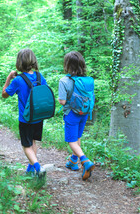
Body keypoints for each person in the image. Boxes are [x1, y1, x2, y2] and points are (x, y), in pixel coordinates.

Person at [2, 48, 46, 179]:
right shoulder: (40, 76)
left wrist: (9, 78)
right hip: (38, 117)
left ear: (19, 62)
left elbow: (4, 94)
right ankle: (30, 169)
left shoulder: (18, 80)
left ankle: (38, 168)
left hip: (26, 119)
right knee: (33, 142)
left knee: (26, 145)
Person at [58, 51, 95, 181]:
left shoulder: (64, 80)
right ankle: (73, 161)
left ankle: (85, 161)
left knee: (71, 140)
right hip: (84, 113)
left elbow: (62, 101)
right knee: (77, 137)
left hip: (71, 113)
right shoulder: (88, 80)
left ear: (67, 65)